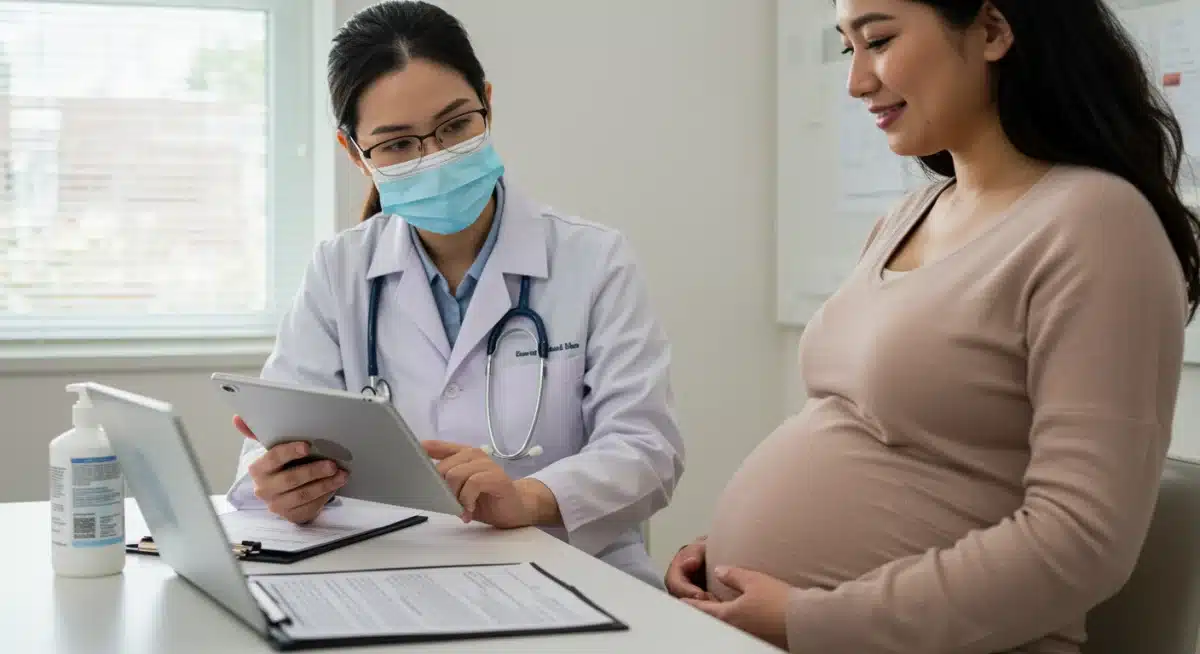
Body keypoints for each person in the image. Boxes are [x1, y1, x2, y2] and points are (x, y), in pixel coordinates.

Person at [666, 0, 1199, 651]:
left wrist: (809, 618)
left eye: (880, 40)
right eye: (847, 48)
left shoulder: (1098, 224)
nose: (857, 81)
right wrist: (721, 556)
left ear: (995, 29)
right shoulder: (907, 215)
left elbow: (1081, 540)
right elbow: (865, 444)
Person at [225, 0, 684, 589]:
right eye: (397, 144)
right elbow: (273, 448)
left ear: (486, 104)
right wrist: (285, 486)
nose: (434, 159)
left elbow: (648, 448)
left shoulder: (594, 261)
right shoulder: (338, 270)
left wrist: (532, 497)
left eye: (454, 126)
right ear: (354, 153)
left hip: (572, 572)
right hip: (394, 575)